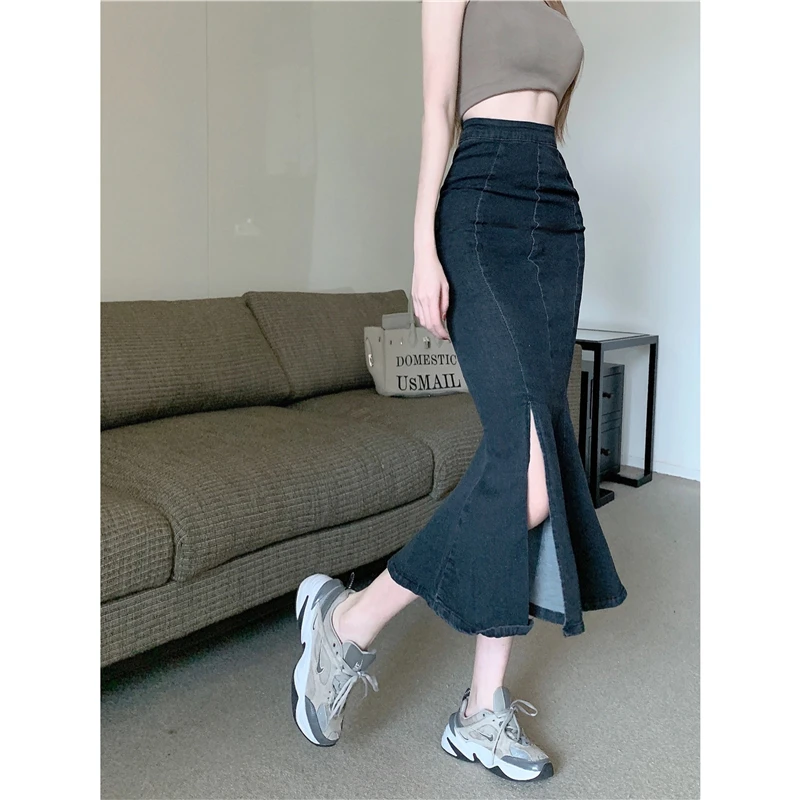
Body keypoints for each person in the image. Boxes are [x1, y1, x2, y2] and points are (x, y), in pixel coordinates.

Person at [291, 0, 627, 782]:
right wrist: (422, 249)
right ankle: (350, 619)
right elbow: (438, 107)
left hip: (555, 212)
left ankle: (480, 710)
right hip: (480, 205)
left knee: (532, 449)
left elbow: (549, 111)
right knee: (530, 474)